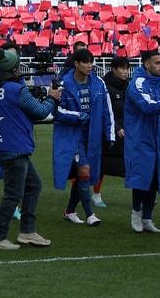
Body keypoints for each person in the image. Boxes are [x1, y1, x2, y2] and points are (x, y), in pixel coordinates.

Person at [0, 46, 60, 250]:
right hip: (15, 147)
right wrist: (52, 97)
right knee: (13, 194)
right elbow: (41, 112)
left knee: (33, 185)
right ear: (16, 68)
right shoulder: (17, 89)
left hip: (1, 145)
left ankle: (28, 231)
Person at [53, 49, 112, 226]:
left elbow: (106, 111)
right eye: (85, 62)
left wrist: (109, 134)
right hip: (74, 136)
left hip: (92, 135)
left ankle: (70, 211)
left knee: (83, 175)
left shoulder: (98, 83)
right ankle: (89, 214)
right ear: (76, 64)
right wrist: (77, 116)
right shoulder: (64, 83)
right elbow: (56, 111)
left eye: (91, 61)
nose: (89, 65)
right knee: (84, 171)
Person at [124, 48, 160, 233]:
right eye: (157, 63)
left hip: (155, 142)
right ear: (147, 64)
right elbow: (148, 107)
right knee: (141, 180)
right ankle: (135, 213)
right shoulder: (137, 83)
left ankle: (147, 218)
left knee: (154, 181)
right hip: (140, 141)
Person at [97, 53, 131, 208]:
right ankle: (96, 195)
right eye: (122, 69)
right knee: (103, 163)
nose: (125, 72)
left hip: (128, 130)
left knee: (132, 162)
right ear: (114, 69)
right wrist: (116, 127)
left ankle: (142, 194)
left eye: (127, 69)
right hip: (109, 130)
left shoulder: (129, 85)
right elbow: (104, 110)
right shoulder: (104, 85)